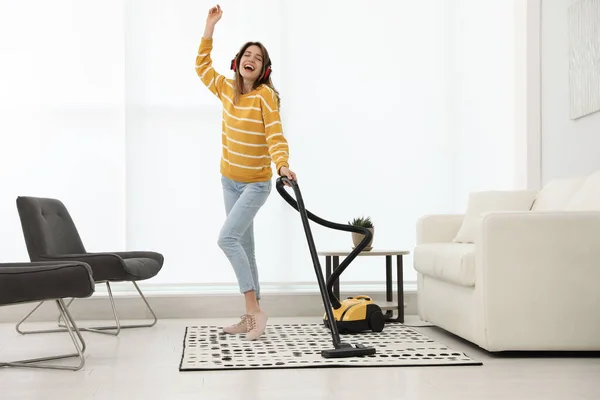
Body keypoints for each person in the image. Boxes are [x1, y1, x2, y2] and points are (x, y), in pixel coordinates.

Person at [196, 4, 297, 341]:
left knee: (227, 239)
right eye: (246, 54)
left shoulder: (265, 97)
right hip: (229, 181)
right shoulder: (226, 89)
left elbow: (275, 136)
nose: (251, 58)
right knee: (245, 247)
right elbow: (201, 67)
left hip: (255, 184)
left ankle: (255, 311)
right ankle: (251, 315)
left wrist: (282, 164)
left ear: (263, 69)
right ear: (237, 63)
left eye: (258, 56)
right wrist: (210, 27)